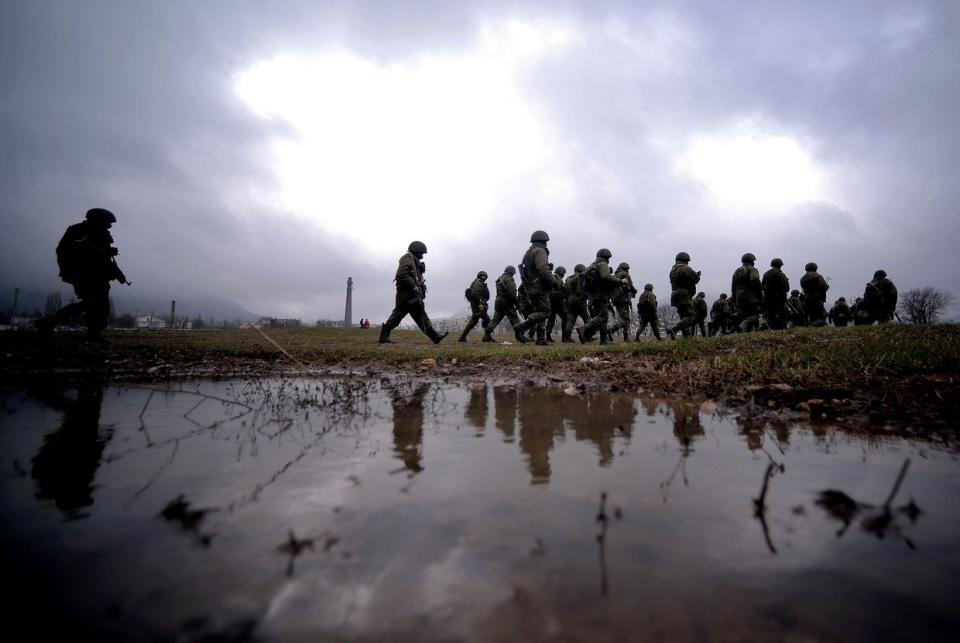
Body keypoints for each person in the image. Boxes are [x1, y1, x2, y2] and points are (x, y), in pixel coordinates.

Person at [35, 208, 130, 340]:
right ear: (98, 220)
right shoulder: (79, 232)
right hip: (83, 274)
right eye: (107, 222)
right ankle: (50, 322)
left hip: (97, 275)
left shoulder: (100, 234)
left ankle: (92, 333)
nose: (109, 226)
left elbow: (104, 260)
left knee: (100, 305)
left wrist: (118, 273)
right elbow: (70, 252)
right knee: (92, 302)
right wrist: (96, 253)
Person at [379, 241, 448, 344]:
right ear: (416, 251)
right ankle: (384, 336)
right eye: (421, 253)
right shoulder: (407, 258)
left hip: (410, 296)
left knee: (418, 316)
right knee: (402, 316)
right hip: (407, 296)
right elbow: (401, 274)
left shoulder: (413, 261)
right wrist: (414, 286)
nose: (422, 256)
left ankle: (435, 337)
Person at [576, 248, 626, 344]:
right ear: (606, 257)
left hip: (593, 295)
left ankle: (604, 340)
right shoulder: (603, 264)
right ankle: (584, 328)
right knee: (603, 317)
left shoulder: (592, 265)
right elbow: (605, 277)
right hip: (601, 295)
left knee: (603, 317)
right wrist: (620, 281)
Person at [515, 230, 554, 345]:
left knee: (540, 311)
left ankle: (541, 338)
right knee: (546, 311)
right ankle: (521, 327)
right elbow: (542, 269)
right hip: (539, 287)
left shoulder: (528, 252)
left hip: (531, 287)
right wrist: (554, 281)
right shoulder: (539, 250)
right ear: (544, 241)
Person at [483, 266, 522, 342]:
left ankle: (486, 335)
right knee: (515, 319)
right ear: (512, 272)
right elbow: (512, 294)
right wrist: (518, 305)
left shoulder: (500, 279)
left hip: (499, 302)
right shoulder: (509, 279)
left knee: (495, 320)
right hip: (507, 303)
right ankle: (520, 336)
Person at [667, 251, 700, 339]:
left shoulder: (672, 270)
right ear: (686, 260)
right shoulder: (685, 268)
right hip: (683, 294)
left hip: (675, 294)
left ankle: (687, 337)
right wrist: (697, 275)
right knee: (691, 316)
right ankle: (674, 329)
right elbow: (695, 279)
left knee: (683, 316)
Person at [730, 252, 762, 332]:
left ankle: (740, 329)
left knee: (743, 316)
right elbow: (755, 282)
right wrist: (760, 296)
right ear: (752, 261)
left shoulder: (736, 271)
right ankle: (742, 326)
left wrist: (735, 299)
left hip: (739, 298)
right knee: (754, 315)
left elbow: (733, 288)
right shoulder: (752, 269)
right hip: (751, 297)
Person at [457, 271, 491, 342]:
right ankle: (487, 337)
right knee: (486, 320)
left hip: (476, 305)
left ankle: (462, 337)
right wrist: (480, 304)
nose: (485, 278)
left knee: (474, 321)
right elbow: (475, 294)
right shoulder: (478, 283)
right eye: (484, 276)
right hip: (478, 306)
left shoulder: (478, 283)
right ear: (481, 276)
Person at [609, 262, 637, 342]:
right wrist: (634, 290)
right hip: (623, 299)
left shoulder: (615, 275)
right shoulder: (625, 274)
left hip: (616, 299)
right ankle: (611, 330)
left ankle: (626, 338)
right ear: (625, 268)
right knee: (625, 319)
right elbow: (630, 286)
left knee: (624, 319)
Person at [562, 264, 591, 343]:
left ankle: (567, 338)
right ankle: (587, 336)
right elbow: (582, 289)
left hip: (570, 300)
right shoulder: (580, 276)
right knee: (587, 319)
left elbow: (565, 291)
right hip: (580, 299)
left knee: (571, 319)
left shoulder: (568, 278)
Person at [762, 258, 790, 330]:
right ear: (780, 265)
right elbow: (787, 288)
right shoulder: (780, 274)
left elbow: (762, 286)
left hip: (768, 298)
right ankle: (782, 329)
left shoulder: (766, 274)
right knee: (782, 314)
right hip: (779, 298)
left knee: (771, 315)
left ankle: (774, 329)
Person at [800, 262, 829, 327]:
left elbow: (803, 288)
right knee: (821, 315)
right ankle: (816, 327)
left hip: (807, 299)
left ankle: (811, 327)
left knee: (811, 315)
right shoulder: (818, 276)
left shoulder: (802, 278)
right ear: (815, 268)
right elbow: (824, 286)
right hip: (817, 299)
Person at [546, 265, 567, 342]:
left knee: (551, 319)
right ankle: (565, 337)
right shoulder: (557, 278)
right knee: (565, 317)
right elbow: (557, 289)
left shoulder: (552, 276)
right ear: (562, 273)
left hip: (550, 301)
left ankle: (547, 336)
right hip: (557, 301)